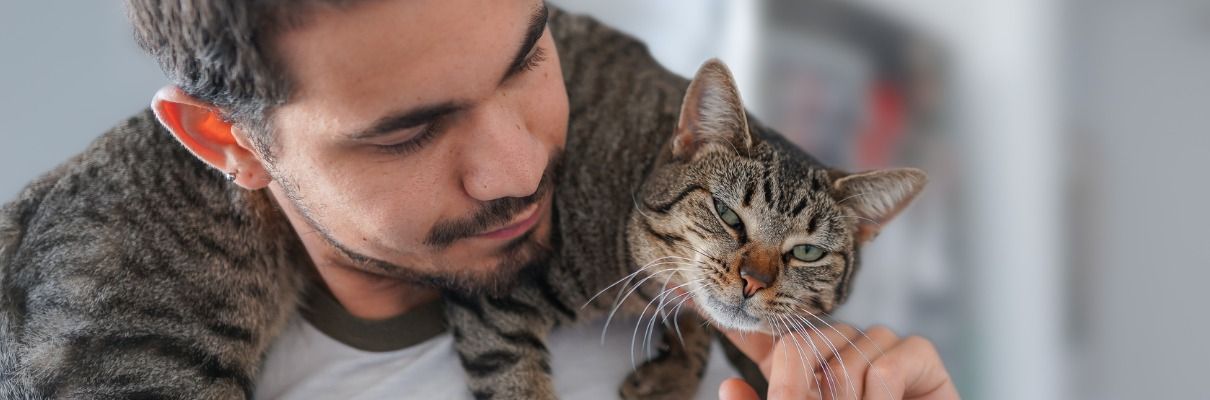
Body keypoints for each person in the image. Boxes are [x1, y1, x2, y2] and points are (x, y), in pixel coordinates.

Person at [0, 0, 958, 398]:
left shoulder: (709, 326)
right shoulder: (130, 290)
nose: (517, 171)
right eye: (409, 129)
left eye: (530, 53)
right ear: (228, 139)